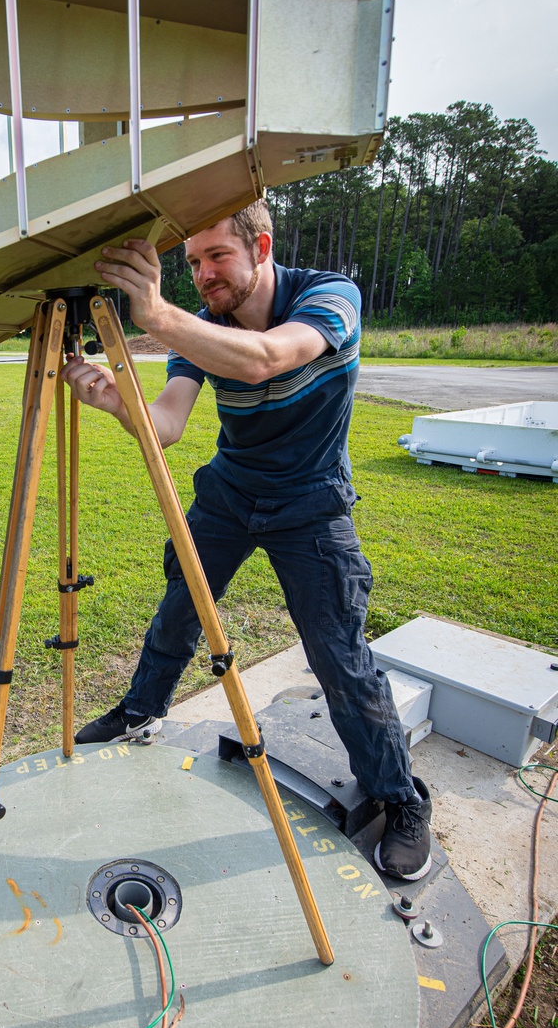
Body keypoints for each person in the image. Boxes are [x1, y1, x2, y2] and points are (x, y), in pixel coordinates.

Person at [63, 201, 432, 882]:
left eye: (216, 257)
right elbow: (167, 425)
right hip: (230, 494)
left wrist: (157, 312)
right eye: (193, 262)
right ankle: (142, 709)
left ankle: (400, 799)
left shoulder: (329, 296)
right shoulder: (202, 328)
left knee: (340, 658)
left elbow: (268, 359)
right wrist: (116, 400)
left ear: (260, 245)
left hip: (311, 500)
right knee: (182, 606)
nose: (202, 274)